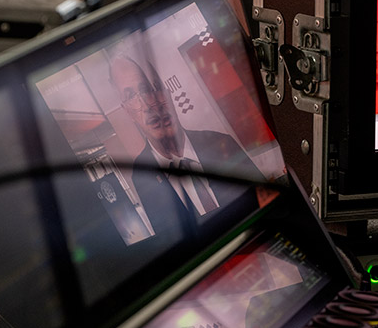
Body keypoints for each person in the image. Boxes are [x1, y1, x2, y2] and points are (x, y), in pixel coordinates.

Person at [109, 55, 264, 236]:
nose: (147, 105)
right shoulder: (142, 176)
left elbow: (266, 203)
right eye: (131, 96)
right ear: (127, 111)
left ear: (166, 92)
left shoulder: (222, 143)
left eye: (150, 89)